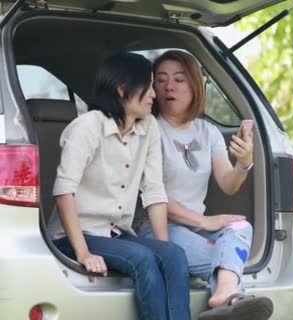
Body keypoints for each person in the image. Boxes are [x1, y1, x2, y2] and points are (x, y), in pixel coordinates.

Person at [47, 52, 191, 320]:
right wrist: (84, 252)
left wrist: (163, 252)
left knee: (173, 255)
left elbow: (154, 190)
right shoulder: (87, 127)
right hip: (76, 234)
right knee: (142, 259)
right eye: (147, 87)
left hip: (116, 233)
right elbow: (64, 191)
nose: (154, 94)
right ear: (122, 90)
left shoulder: (148, 126)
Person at [134, 50, 273, 320]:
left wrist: (244, 162)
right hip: (157, 228)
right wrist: (205, 221)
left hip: (196, 228)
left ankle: (225, 296)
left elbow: (228, 184)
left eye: (179, 79)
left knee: (241, 226)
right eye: (160, 80)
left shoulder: (207, 132)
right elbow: (154, 194)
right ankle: (230, 297)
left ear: (196, 84)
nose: (168, 86)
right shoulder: (148, 127)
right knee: (226, 262)